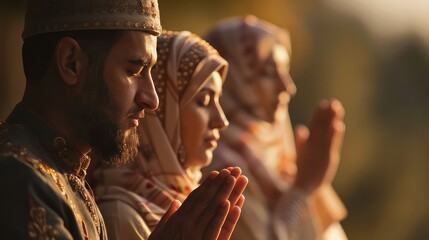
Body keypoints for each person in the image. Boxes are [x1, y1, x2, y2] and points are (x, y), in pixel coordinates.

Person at [0, 0, 244, 239]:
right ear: (71, 63)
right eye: (134, 71)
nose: (152, 99)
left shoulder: (71, 177)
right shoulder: (18, 179)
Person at [202, 15, 348, 240]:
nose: (287, 86)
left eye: (285, 70)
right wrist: (302, 188)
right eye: (269, 72)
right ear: (231, 78)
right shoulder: (219, 167)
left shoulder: (278, 155)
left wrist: (312, 179)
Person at [92, 30, 248, 240]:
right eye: (203, 101)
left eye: (218, 100)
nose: (222, 121)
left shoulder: (194, 210)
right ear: (161, 113)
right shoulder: (121, 217)